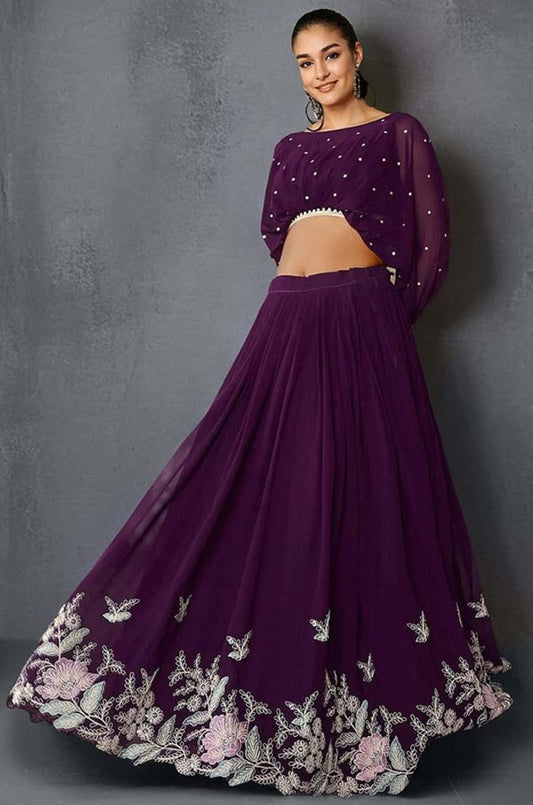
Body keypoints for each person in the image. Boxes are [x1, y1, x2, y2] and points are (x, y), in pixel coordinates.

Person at [6, 8, 513, 798]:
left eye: (331, 55)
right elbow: (277, 234)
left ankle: (368, 715)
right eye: (305, 61)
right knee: (255, 478)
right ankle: (225, 689)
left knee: (366, 494)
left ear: (356, 55)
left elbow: (431, 246)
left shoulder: (398, 133)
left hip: (363, 321)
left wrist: (377, 320)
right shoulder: (290, 149)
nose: (320, 72)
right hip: (287, 319)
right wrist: (314, 298)